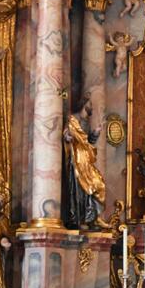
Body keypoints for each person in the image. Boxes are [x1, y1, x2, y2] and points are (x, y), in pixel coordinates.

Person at [63, 97, 106, 228]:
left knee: (98, 184)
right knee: (81, 189)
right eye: (90, 104)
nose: (91, 107)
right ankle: (82, 218)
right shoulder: (73, 119)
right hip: (77, 158)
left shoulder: (86, 122)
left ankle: (95, 217)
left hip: (86, 159)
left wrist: (96, 133)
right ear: (83, 105)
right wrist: (67, 136)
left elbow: (88, 142)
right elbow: (67, 134)